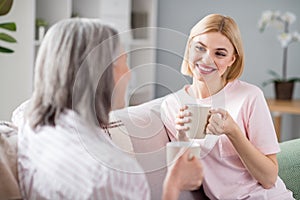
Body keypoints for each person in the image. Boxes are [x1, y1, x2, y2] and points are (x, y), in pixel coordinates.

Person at [17, 18, 203, 200]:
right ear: (101, 74)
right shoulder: (113, 174)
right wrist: (174, 184)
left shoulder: (29, 120)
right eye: (123, 63)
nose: (129, 74)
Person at [161, 14, 294, 199]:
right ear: (189, 47)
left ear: (232, 59)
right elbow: (184, 177)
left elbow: (269, 178)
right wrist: (182, 138)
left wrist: (233, 132)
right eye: (200, 48)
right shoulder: (172, 105)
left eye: (220, 53)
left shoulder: (250, 96)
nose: (207, 60)